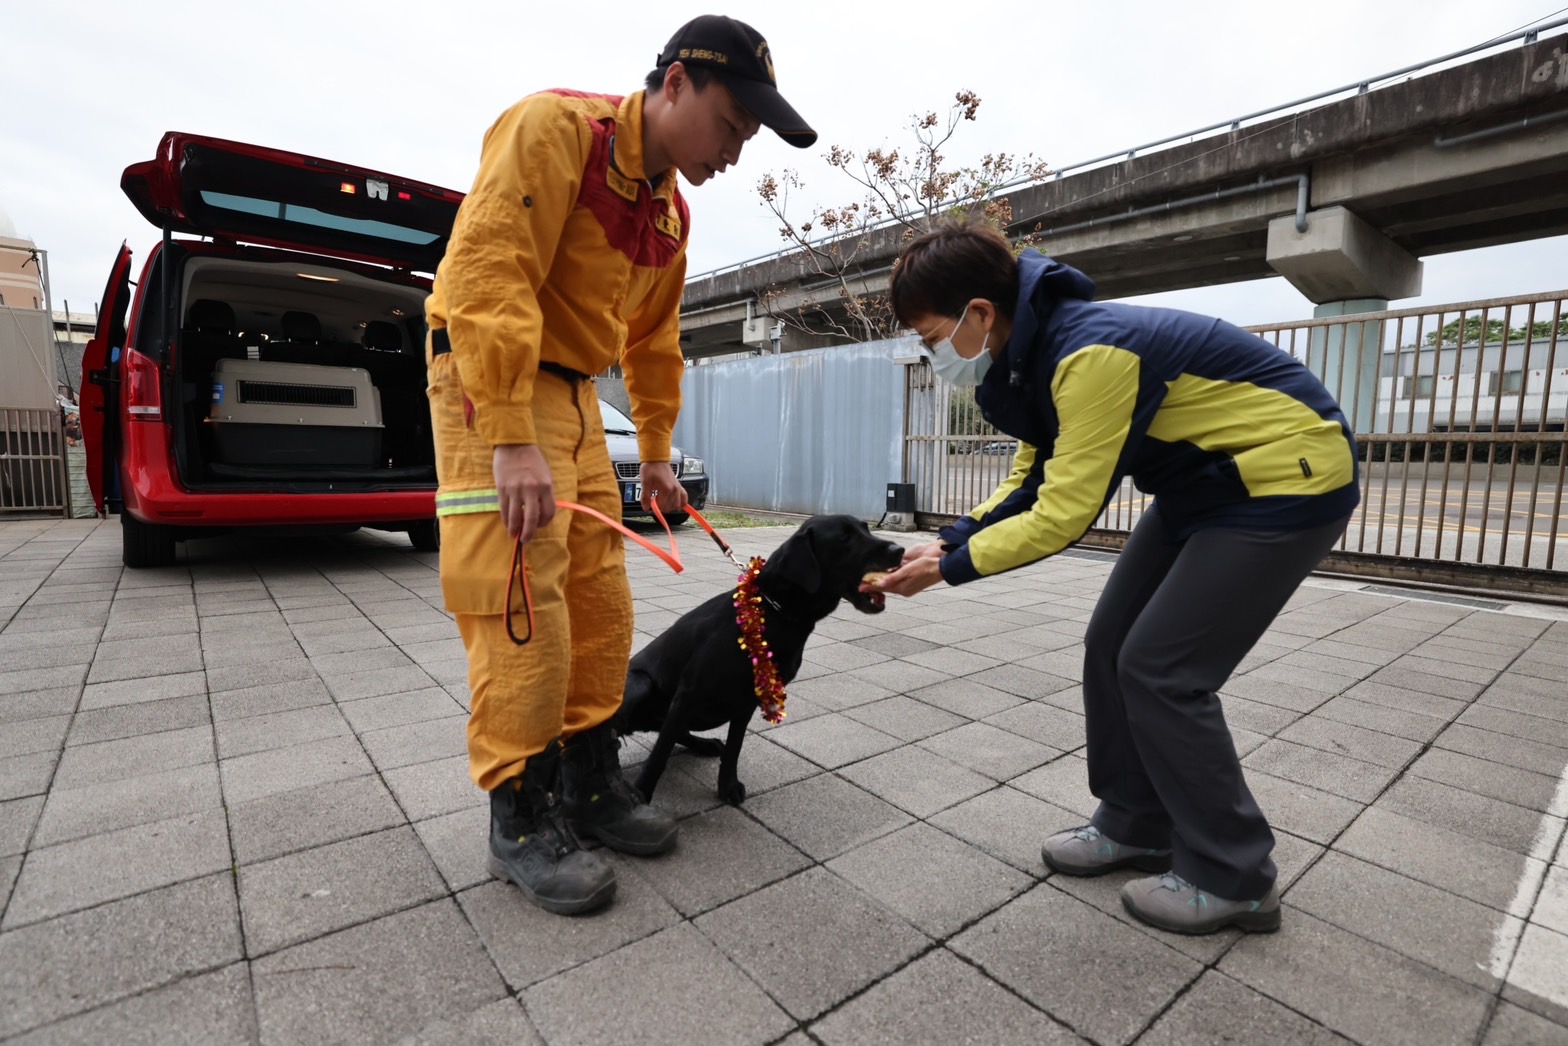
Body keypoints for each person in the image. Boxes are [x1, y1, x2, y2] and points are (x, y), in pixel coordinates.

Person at [425, 15, 815, 916]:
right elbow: (489, 275)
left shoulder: (672, 210)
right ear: (675, 82)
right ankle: (518, 818)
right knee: (521, 597)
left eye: (747, 138)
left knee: (602, 602)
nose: (734, 150)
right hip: (488, 387)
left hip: (571, 397)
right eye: (730, 124)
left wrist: (658, 456)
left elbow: (653, 343)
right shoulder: (555, 130)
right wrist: (511, 435)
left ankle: (589, 785)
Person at [872, 219, 1359, 935]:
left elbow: (1066, 511)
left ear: (979, 314)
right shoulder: (1028, 356)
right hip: (1202, 488)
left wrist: (949, 569)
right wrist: (950, 539)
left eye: (930, 335)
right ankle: (1137, 823)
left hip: (1284, 479)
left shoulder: (1089, 353)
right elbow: (1030, 480)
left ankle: (1235, 875)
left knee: (1162, 668)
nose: (930, 352)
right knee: (1111, 645)